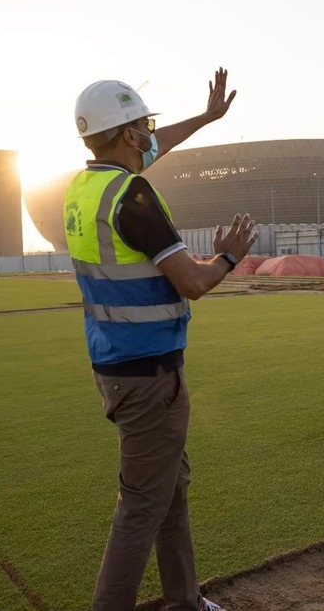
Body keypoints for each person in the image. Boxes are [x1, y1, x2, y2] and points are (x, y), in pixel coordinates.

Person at [65, 70, 254, 611]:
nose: (152, 134)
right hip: (150, 379)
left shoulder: (85, 189)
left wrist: (209, 118)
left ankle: (185, 602)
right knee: (143, 505)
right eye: (144, 126)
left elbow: (156, 147)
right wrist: (228, 255)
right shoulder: (134, 195)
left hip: (118, 368)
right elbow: (193, 283)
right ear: (127, 135)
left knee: (169, 493)